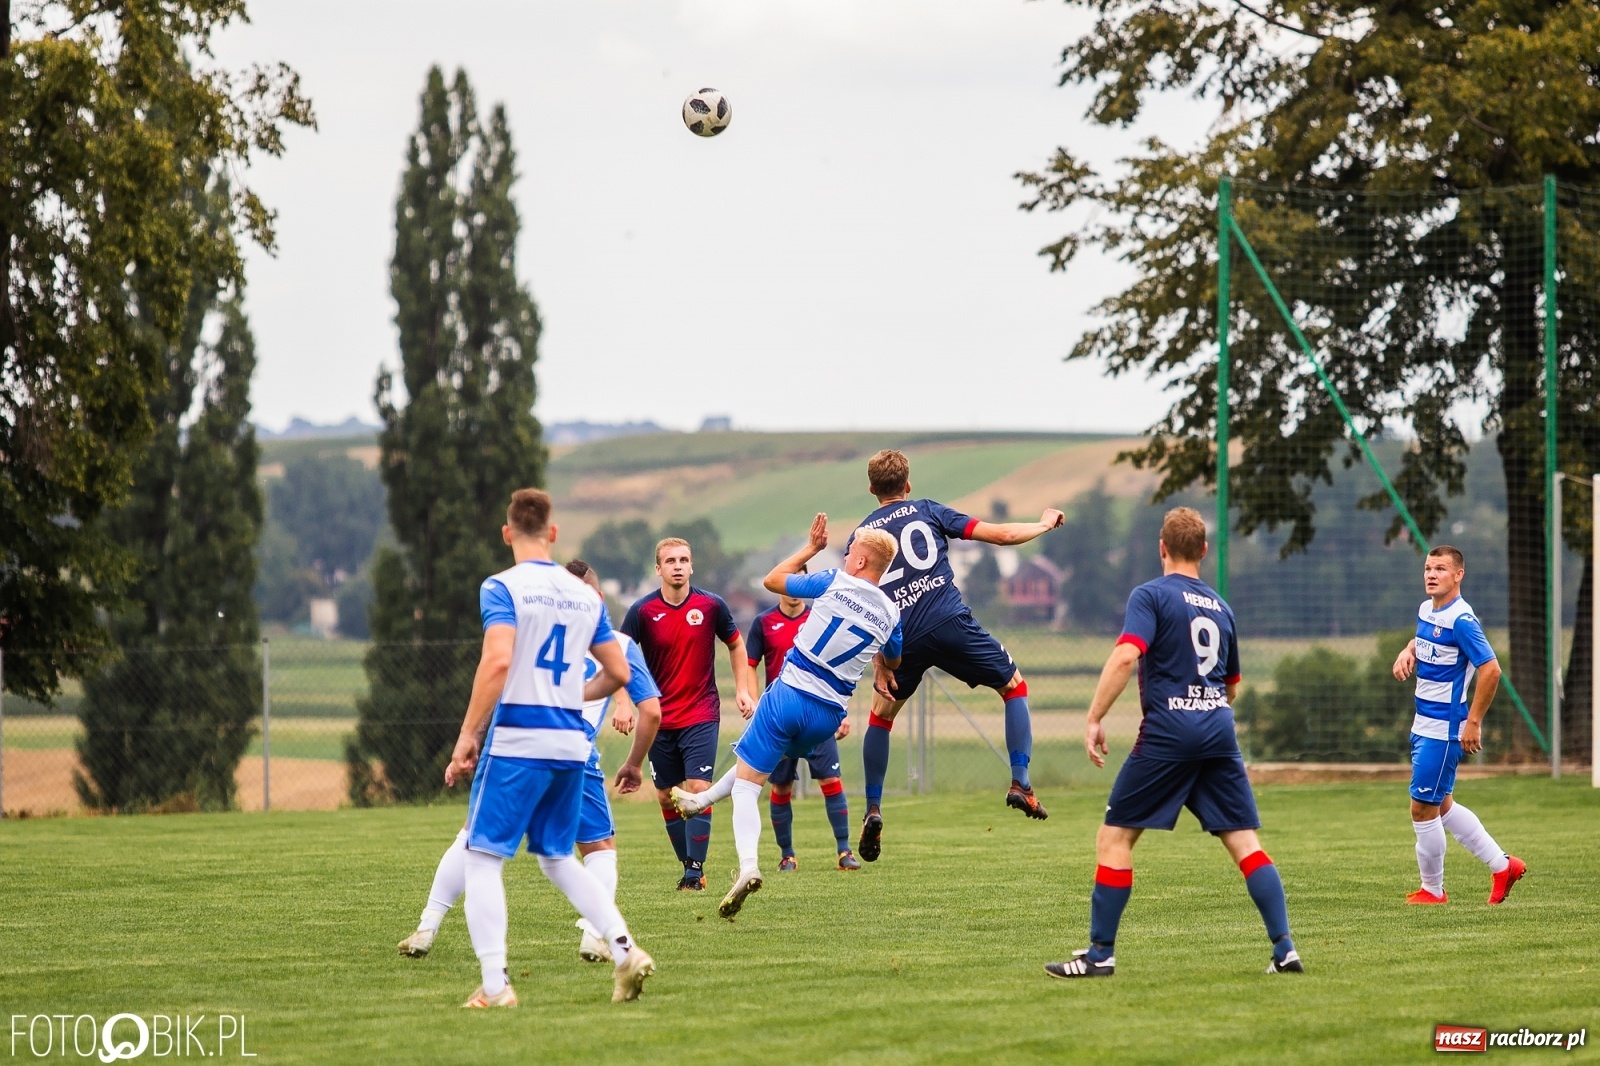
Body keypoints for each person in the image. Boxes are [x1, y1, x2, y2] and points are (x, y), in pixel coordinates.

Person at [1045, 506, 1302, 979]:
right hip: (1218, 731)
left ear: (1161, 548)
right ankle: (1285, 950)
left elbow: (1126, 656)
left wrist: (1095, 717)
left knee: (1115, 837)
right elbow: (1231, 686)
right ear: (1203, 550)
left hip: (1169, 732)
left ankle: (1100, 955)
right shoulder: (1222, 607)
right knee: (1244, 840)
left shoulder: (1151, 595)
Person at [443, 490, 655, 1007]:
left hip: (519, 736)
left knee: (482, 857)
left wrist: (468, 734)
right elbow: (618, 672)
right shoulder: (584, 597)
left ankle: (495, 986)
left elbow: (497, 661)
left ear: (507, 533)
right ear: (553, 533)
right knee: (558, 858)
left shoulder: (502, 586)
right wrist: (571, 695)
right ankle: (624, 950)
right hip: (570, 742)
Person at [397, 559, 664, 967]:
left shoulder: (527, 628)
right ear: (596, 598)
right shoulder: (619, 644)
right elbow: (653, 711)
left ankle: (430, 928)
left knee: (474, 841)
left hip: (513, 743)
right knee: (594, 851)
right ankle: (599, 937)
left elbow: (496, 676)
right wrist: (633, 763)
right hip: (572, 752)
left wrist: (471, 737)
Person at [671, 516, 900, 920]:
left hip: (791, 694)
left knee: (747, 788)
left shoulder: (834, 581)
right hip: (828, 715)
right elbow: (894, 657)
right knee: (757, 760)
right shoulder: (891, 612)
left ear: (862, 561)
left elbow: (772, 580)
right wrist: (882, 666)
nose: (845, 558)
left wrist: (811, 549)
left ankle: (747, 868)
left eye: (850, 553)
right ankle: (700, 800)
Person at [853, 449, 1064, 862]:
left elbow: (862, 598)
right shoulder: (928, 510)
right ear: (908, 485)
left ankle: (873, 808)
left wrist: (879, 659)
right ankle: (1020, 782)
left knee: (881, 716)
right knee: (1013, 686)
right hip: (949, 621)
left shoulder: (862, 537)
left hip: (902, 636)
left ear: (872, 489)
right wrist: (1042, 523)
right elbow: (1000, 535)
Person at [1390, 545, 1525, 905]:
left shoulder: (1462, 620)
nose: (1431, 575)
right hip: (1422, 723)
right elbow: (1423, 640)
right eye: (1428, 568)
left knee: (1422, 808)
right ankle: (1503, 866)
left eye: (1440, 569)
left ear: (1458, 575)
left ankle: (1433, 890)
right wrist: (1408, 651)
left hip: (1443, 729)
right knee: (1443, 806)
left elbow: (1491, 669)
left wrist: (1473, 722)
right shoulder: (1427, 610)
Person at [621, 538, 756, 891]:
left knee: (697, 789)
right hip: (659, 718)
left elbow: (736, 644)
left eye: (683, 560)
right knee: (666, 795)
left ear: (692, 566)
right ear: (658, 569)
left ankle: (694, 872)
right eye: (670, 561)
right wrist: (622, 703)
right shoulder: (642, 611)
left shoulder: (711, 606)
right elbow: (617, 656)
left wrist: (742, 690)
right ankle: (688, 864)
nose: (678, 566)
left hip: (701, 712)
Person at [745, 567, 861, 872]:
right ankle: (787, 855)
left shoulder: (820, 617)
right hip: (780, 717)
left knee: (830, 780)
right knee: (781, 786)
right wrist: (755, 703)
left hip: (819, 713)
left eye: (801, 577)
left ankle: (844, 851)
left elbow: (839, 667)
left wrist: (842, 712)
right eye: (791, 579)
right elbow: (750, 664)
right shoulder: (763, 623)